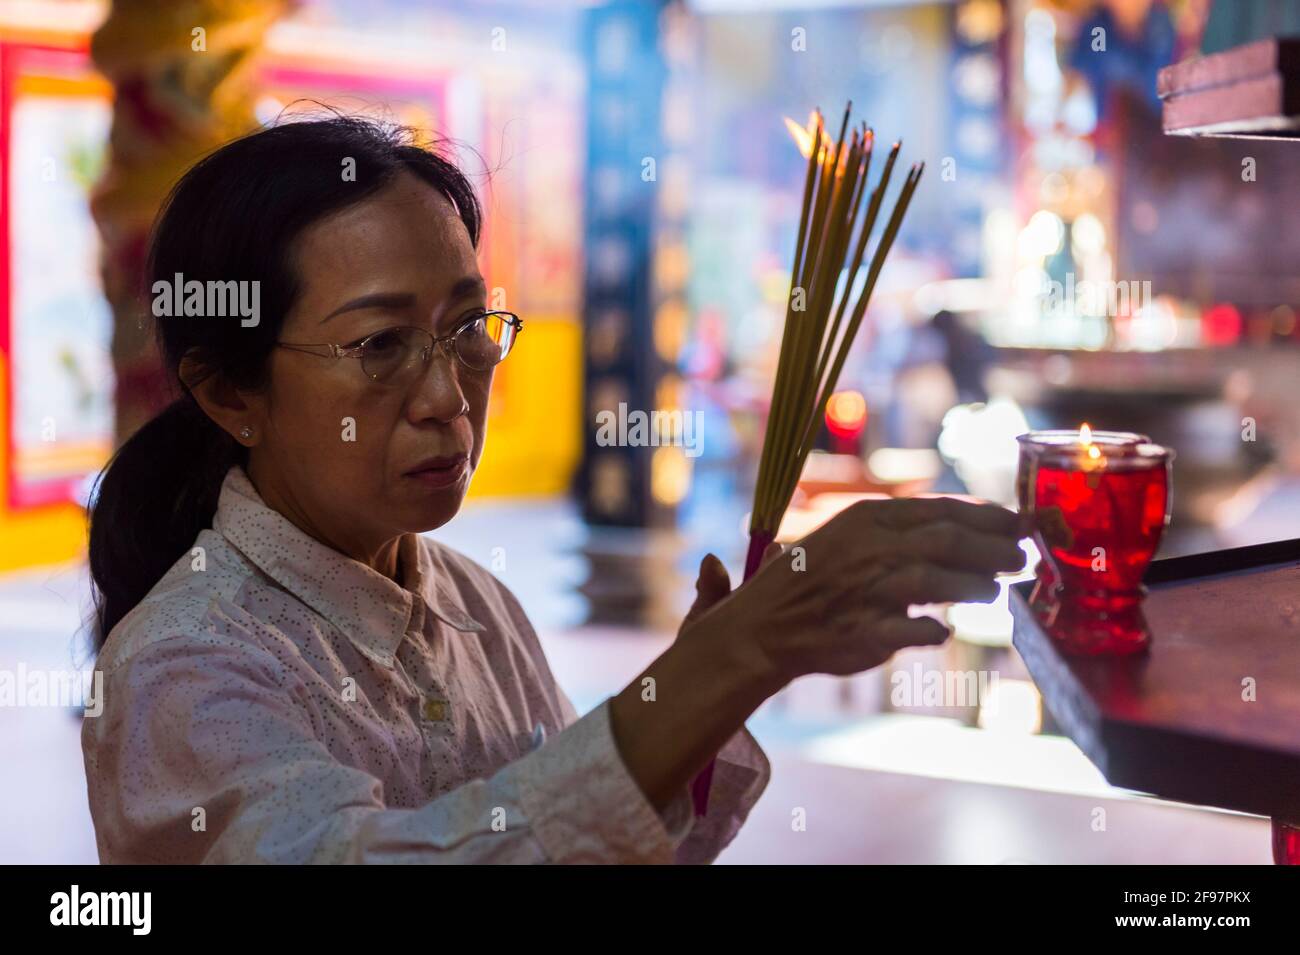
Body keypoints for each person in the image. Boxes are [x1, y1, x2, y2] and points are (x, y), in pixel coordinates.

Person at [82, 116, 1024, 864]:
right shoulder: (185, 664)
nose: (449, 395)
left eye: (466, 327)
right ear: (230, 392)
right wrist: (731, 657)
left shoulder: (476, 606)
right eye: (377, 345)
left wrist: (709, 693)